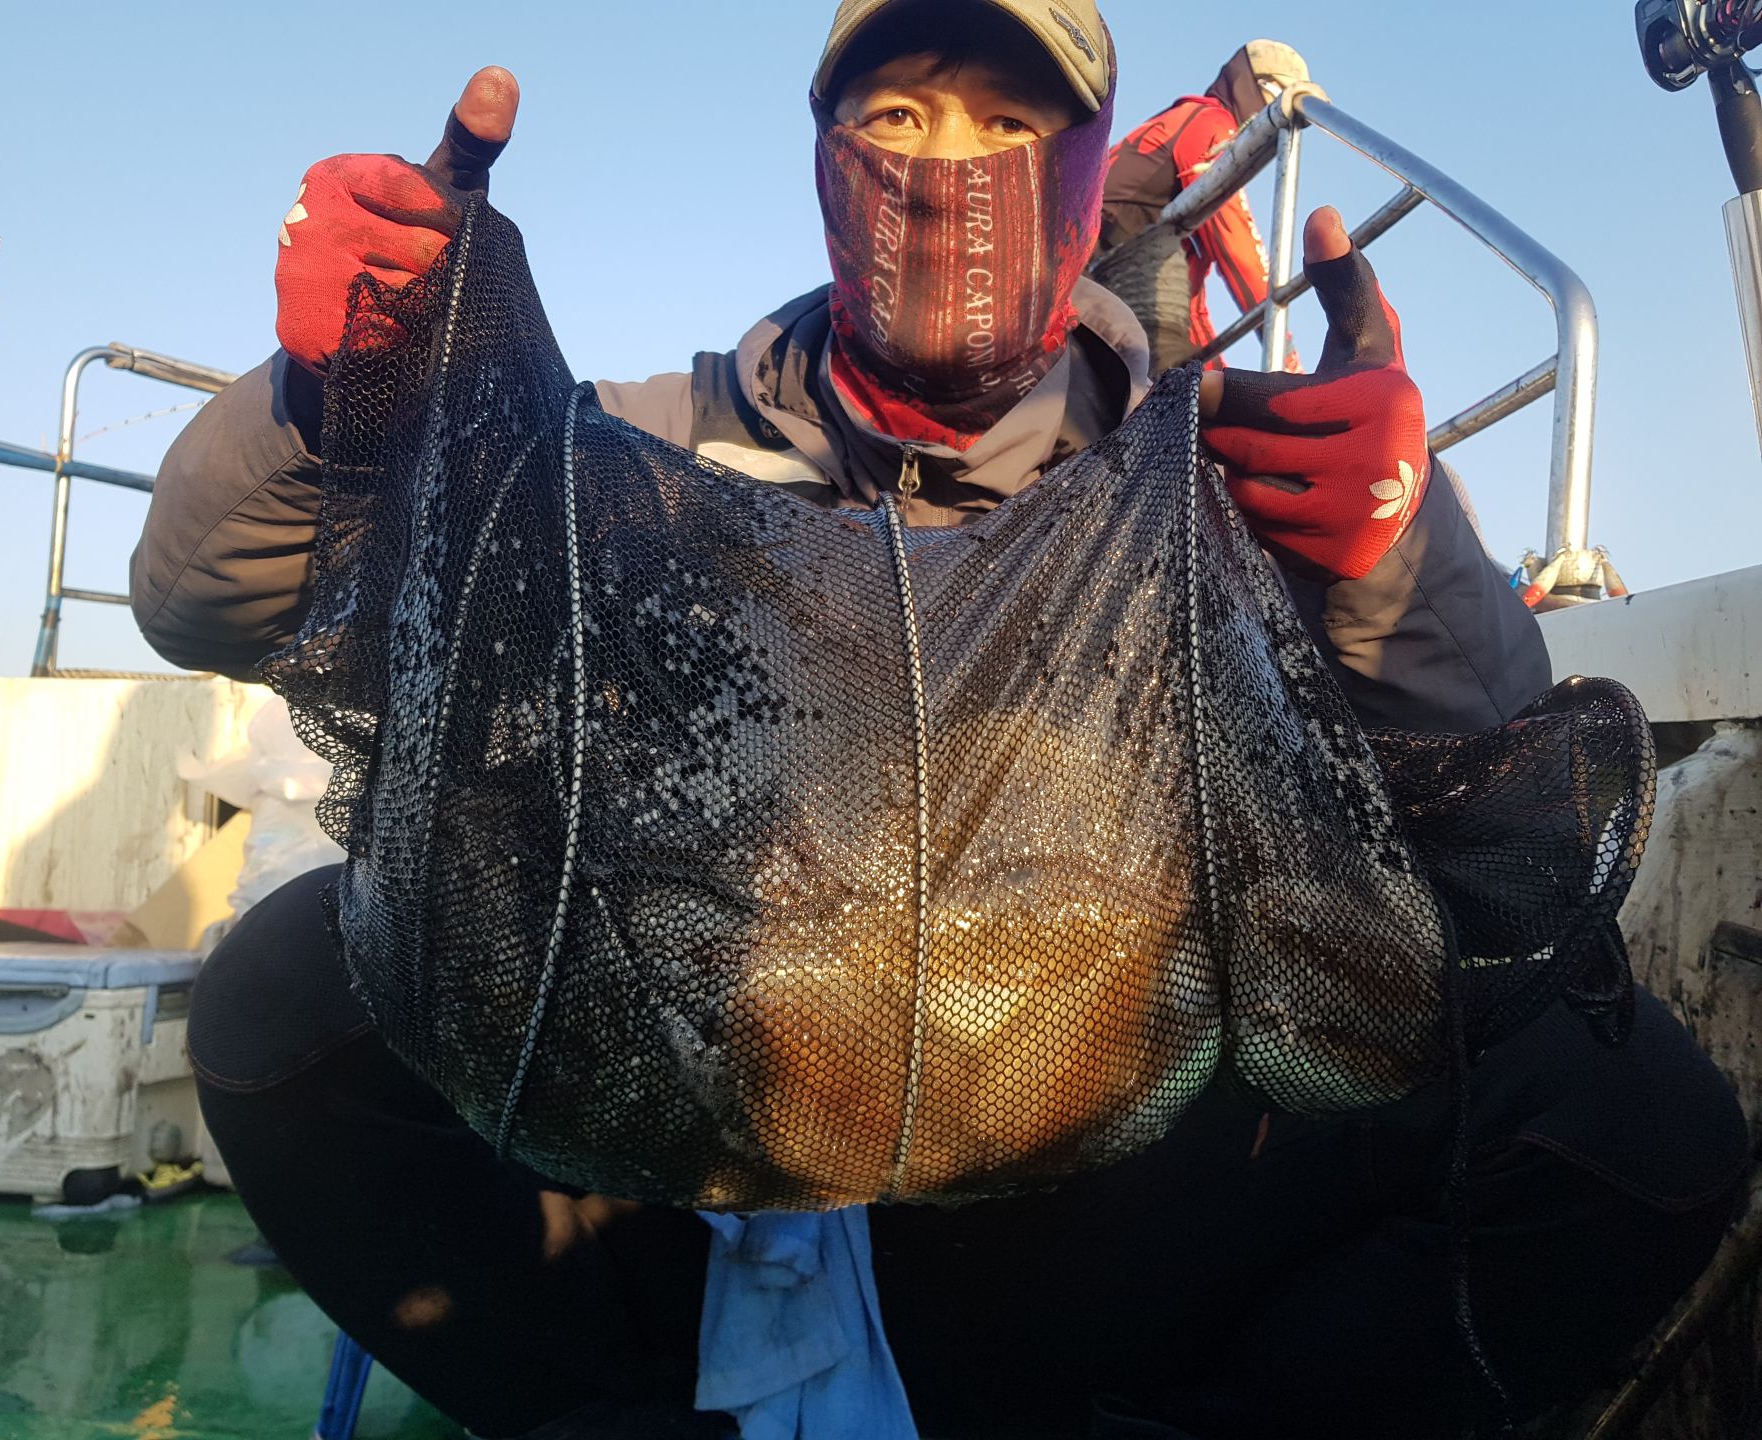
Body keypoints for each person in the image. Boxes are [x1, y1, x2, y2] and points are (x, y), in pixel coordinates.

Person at [137, 3, 1750, 1437]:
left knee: (1627, 1118)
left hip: (1098, 1151)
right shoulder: (629, 457)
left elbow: (1497, 828)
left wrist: (1402, 560)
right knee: (285, 996)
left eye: (1007, 121)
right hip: (692, 1133)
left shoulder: (1221, 465)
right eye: (897, 114)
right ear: (829, 153)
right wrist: (332, 399)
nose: (944, 167)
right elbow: (209, 600)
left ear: (1086, 171)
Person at [1092, 40, 1311, 375]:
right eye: (1276, 92)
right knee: (1179, 387)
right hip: (1097, 262)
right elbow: (1237, 246)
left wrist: (1217, 374)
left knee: (1198, 384)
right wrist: (1287, 356)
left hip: (1121, 272)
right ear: (1248, 83)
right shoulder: (1210, 124)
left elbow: (1188, 303)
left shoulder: (1194, 135)